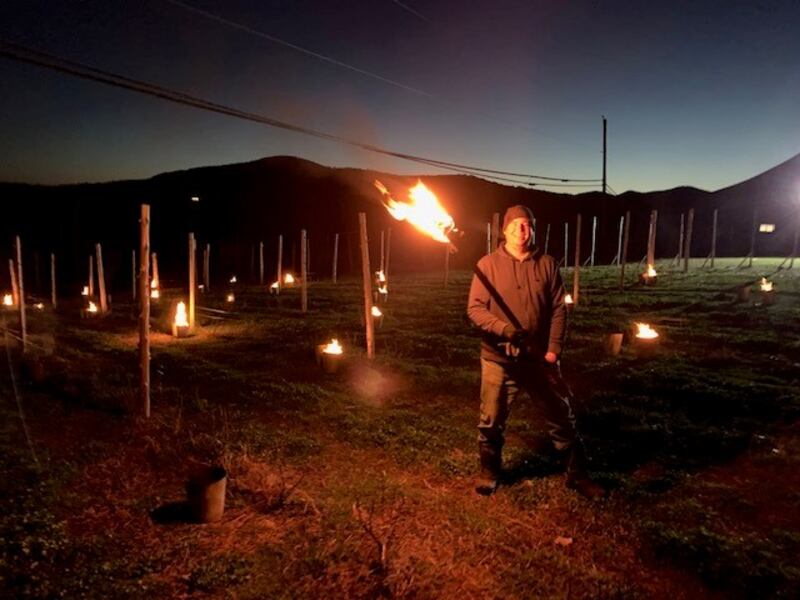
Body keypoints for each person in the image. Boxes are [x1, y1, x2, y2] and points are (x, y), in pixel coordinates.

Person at [467, 205, 604, 498]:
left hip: (538, 358)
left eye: (527, 224)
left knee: (561, 415)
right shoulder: (487, 265)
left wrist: (553, 351)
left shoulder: (547, 264)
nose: (522, 230)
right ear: (504, 231)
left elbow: (558, 310)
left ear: (533, 229)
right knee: (491, 419)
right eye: (516, 224)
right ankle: (489, 472)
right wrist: (505, 330)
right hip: (499, 359)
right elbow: (475, 310)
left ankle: (577, 475)